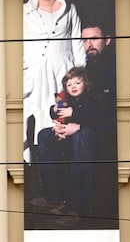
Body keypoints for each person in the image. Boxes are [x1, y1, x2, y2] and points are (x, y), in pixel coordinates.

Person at [23, 0, 86, 162]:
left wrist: (79, 70)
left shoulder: (69, 9)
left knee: (59, 110)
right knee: (35, 113)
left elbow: (76, 40)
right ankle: (36, 162)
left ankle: (60, 155)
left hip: (62, 70)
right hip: (36, 72)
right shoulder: (25, 11)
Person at [34, 66, 98, 227]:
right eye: (69, 85)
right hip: (66, 132)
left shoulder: (90, 98)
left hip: (85, 134)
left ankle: (74, 205)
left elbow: (92, 115)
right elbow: (57, 113)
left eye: (77, 83)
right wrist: (57, 121)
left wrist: (73, 114)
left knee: (80, 138)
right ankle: (52, 195)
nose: (73, 87)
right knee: (44, 135)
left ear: (86, 84)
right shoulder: (65, 98)